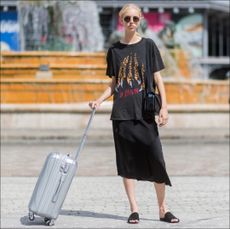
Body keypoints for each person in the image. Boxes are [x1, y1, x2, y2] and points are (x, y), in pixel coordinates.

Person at [89, 3, 180, 225]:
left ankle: (162, 209)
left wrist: (165, 107)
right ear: (121, 20)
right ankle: (134, 209)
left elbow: (158, 79)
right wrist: (99, 100)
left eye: (135, 19)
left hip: (146, 113)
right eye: (127, 18)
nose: (131, 22)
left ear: (140, 20)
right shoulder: (114, 51)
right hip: (122, 114)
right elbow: (114, 84)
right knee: (127, 164)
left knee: (156, 159)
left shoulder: (149, 46)